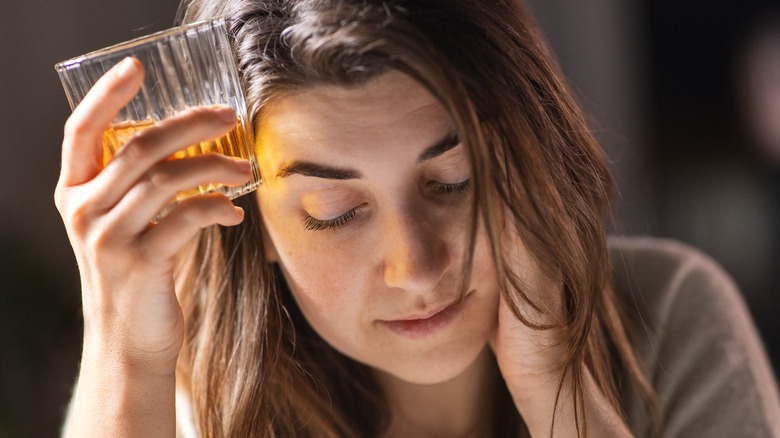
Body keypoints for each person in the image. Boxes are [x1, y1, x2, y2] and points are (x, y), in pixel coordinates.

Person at [56, 0, 780, 436]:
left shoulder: (670, 313)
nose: (419, 267)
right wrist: (124, 350)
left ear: (524, 158)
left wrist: (560, 394)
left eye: (454, 182)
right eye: (335, 213)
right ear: (258, 225)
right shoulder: (189, 401)